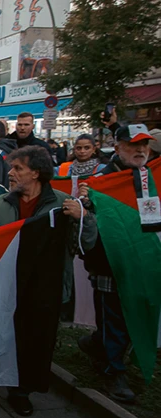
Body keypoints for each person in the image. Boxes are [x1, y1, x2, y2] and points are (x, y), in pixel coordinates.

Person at [0, 146, 96, 415]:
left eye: (18, 168)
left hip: (43, 291)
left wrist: (83, 217)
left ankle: (21, 391)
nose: (11, 174)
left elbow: (85, 243)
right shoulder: (1, 203)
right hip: (3, 287)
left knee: (33, 341)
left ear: (36, 173)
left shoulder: (62, 205)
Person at [77, 125, 155, 403]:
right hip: (111, 264)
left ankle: (98, 345)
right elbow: (86, 220)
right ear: (117, 146)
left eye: (144, 145)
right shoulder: (101, 180)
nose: (140, 150)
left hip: (143, 262)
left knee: (135, 313)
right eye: (133, 145)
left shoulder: (149, 175)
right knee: (115, 317)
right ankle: (113, 370)